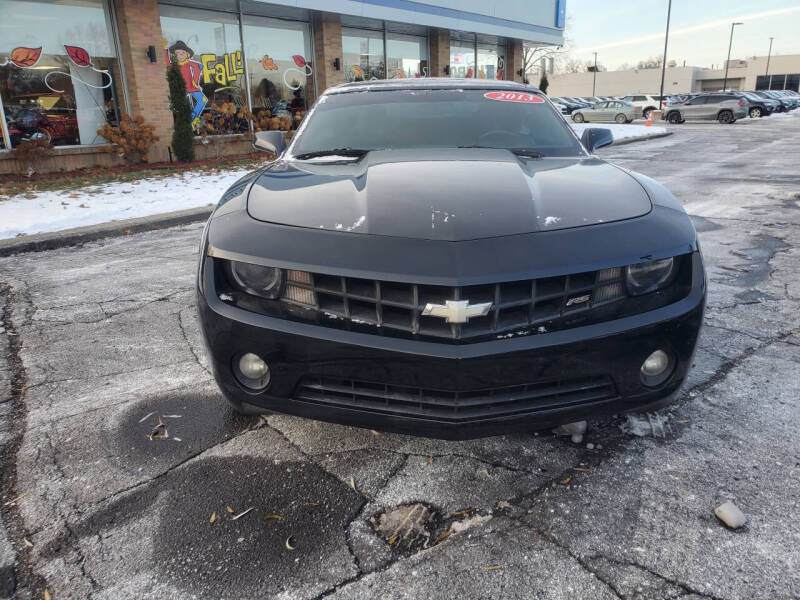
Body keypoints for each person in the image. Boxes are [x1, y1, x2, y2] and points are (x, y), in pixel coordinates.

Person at [165, 40, 207, 128]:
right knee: (184, 105)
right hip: (181, 89)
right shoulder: (174, 65)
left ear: (187, 54)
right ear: (174, 55)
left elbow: (199, 66)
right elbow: (167, 64)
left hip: (192, 87)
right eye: (178, 53)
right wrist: (164, 50)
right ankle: (186, 121)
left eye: (183, 53)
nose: (180, 55)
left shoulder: (188, 63)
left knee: (203, 100)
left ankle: (192, 117)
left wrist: (195, 81)